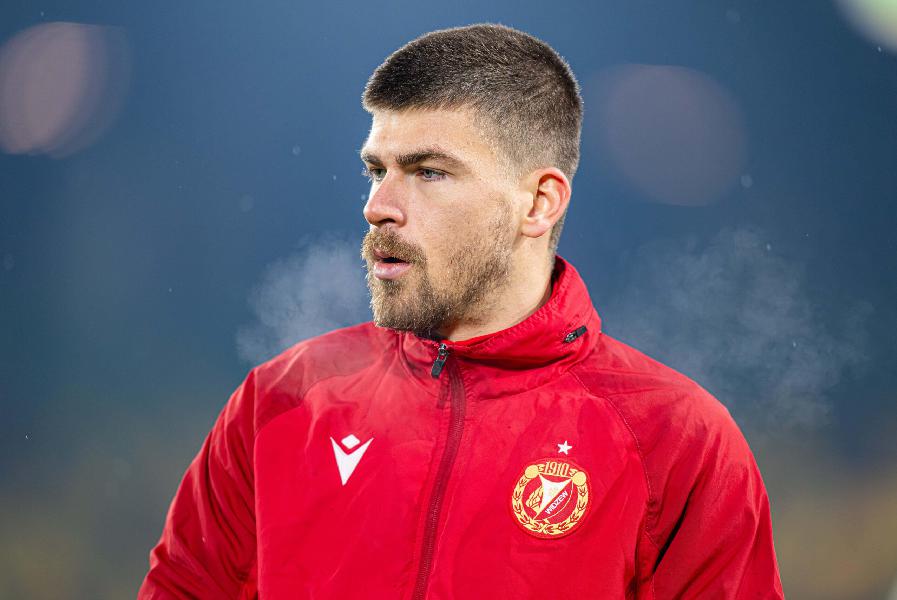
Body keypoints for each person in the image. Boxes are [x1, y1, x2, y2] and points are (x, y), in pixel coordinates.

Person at [139, 23, 785, 599]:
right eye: (376, 171)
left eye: (428, 172)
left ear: (538, 203)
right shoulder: (280, 404)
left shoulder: (677, 439)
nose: (378, 206)